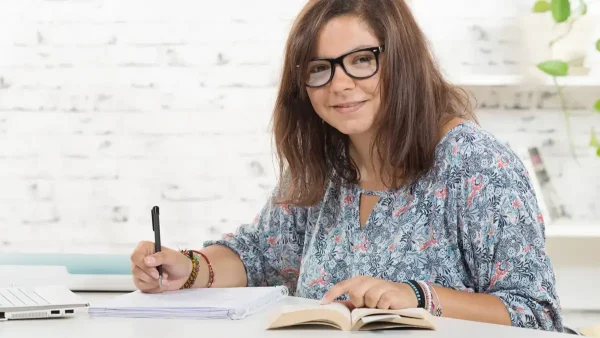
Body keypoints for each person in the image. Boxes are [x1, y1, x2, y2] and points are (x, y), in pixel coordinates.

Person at [129, 0, 563, 331]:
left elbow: (536, 313)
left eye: (361, 60)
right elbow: (259, 254)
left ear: (401, 60)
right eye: (320, 68)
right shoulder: (324, 164)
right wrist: (188, 267)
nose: (339, 84)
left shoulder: (477, 166)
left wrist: (417, 296)